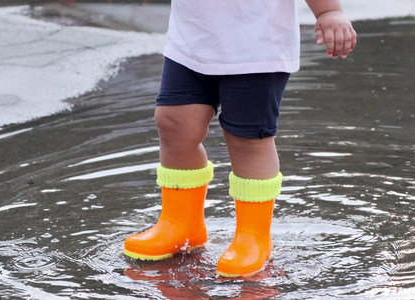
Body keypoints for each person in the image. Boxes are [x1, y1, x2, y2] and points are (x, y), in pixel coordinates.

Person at [124, 0, 357, 277]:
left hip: (255, 48)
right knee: (173, 125)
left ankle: (253, 236)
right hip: (191, 41)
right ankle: (180, 223)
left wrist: (328, 12)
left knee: (247, 140)